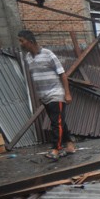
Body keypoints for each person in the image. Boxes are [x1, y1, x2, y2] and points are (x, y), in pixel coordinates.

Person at [18, 30, 74, 160]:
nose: (20, 43)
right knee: (59, 122)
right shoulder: (28, 57)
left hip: (56, 94)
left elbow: (62, 74)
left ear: (30, 41)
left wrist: (67, 93)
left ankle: (56, 149)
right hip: (44, 96)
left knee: (56, 123)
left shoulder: (48, 54)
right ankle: (70, 143)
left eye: (22, 40)